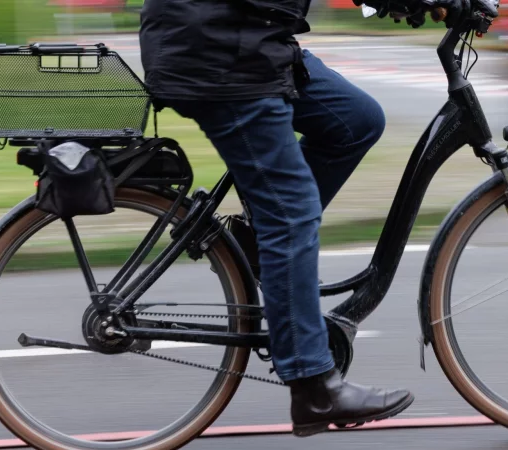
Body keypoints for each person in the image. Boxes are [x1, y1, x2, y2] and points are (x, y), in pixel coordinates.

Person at [139, 0, 460, 437]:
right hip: (219, 53)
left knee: (356, 120)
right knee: (290, 212)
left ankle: (258, 243)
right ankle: (314, 386)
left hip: (246, 38)